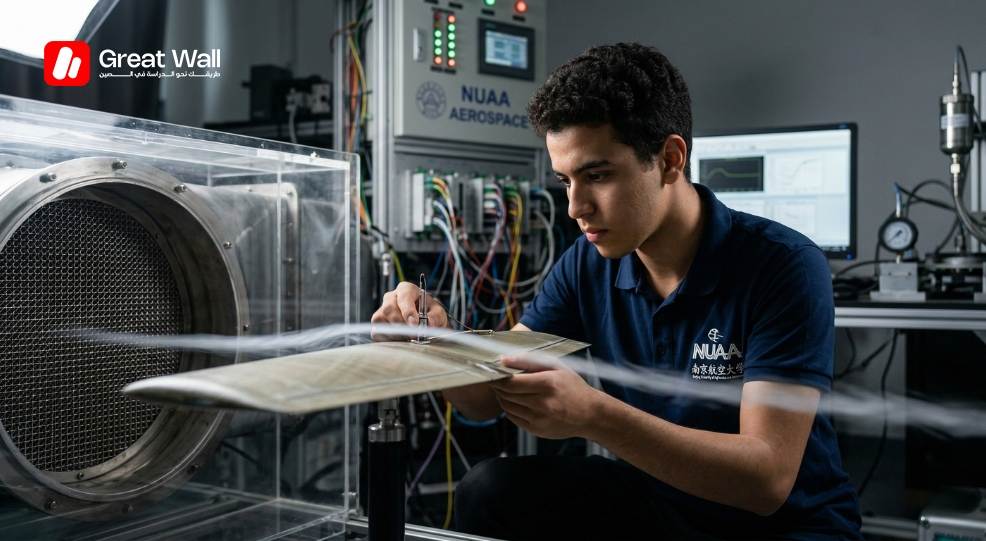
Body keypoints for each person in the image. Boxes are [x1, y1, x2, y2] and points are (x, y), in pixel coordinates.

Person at [371, 43, 862, 540]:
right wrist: (437, 342)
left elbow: (766, 481)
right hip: (661, 503)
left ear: (669, 159)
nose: (575, 207)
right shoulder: (588, 263)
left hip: (783, 528)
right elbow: (482, 400)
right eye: (565, 181)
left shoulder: (784, 265)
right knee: (489, 491)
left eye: (597, 176)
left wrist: (595, 416)